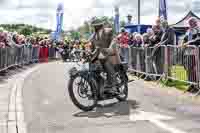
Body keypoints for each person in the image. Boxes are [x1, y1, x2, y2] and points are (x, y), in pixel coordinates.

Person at [89, 17, 120, 90]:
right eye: (94, 25)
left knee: (107, 66)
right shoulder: (93, 36)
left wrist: (110, 48)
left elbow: (114, 40)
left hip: (109, 55)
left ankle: (113, 86)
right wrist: (88, 51)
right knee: (91, 68)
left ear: (100, 25)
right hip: (98, 57)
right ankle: (96, 87)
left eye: (96, 25)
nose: (95, 27)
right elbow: (91, 46)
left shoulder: (108, 31)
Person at [181, 17, 200, 92]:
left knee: (194, 69)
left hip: (195, 52)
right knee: (188, 68)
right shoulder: (188, 31)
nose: (189, 24)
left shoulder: (198, 29)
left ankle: (196, 85)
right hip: (187, 52)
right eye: (189, 23)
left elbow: (198, 40)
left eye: (191, 22)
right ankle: (191, 84)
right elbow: (185, 39)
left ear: (195, 22)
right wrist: (183, 43)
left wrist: (189, 43)